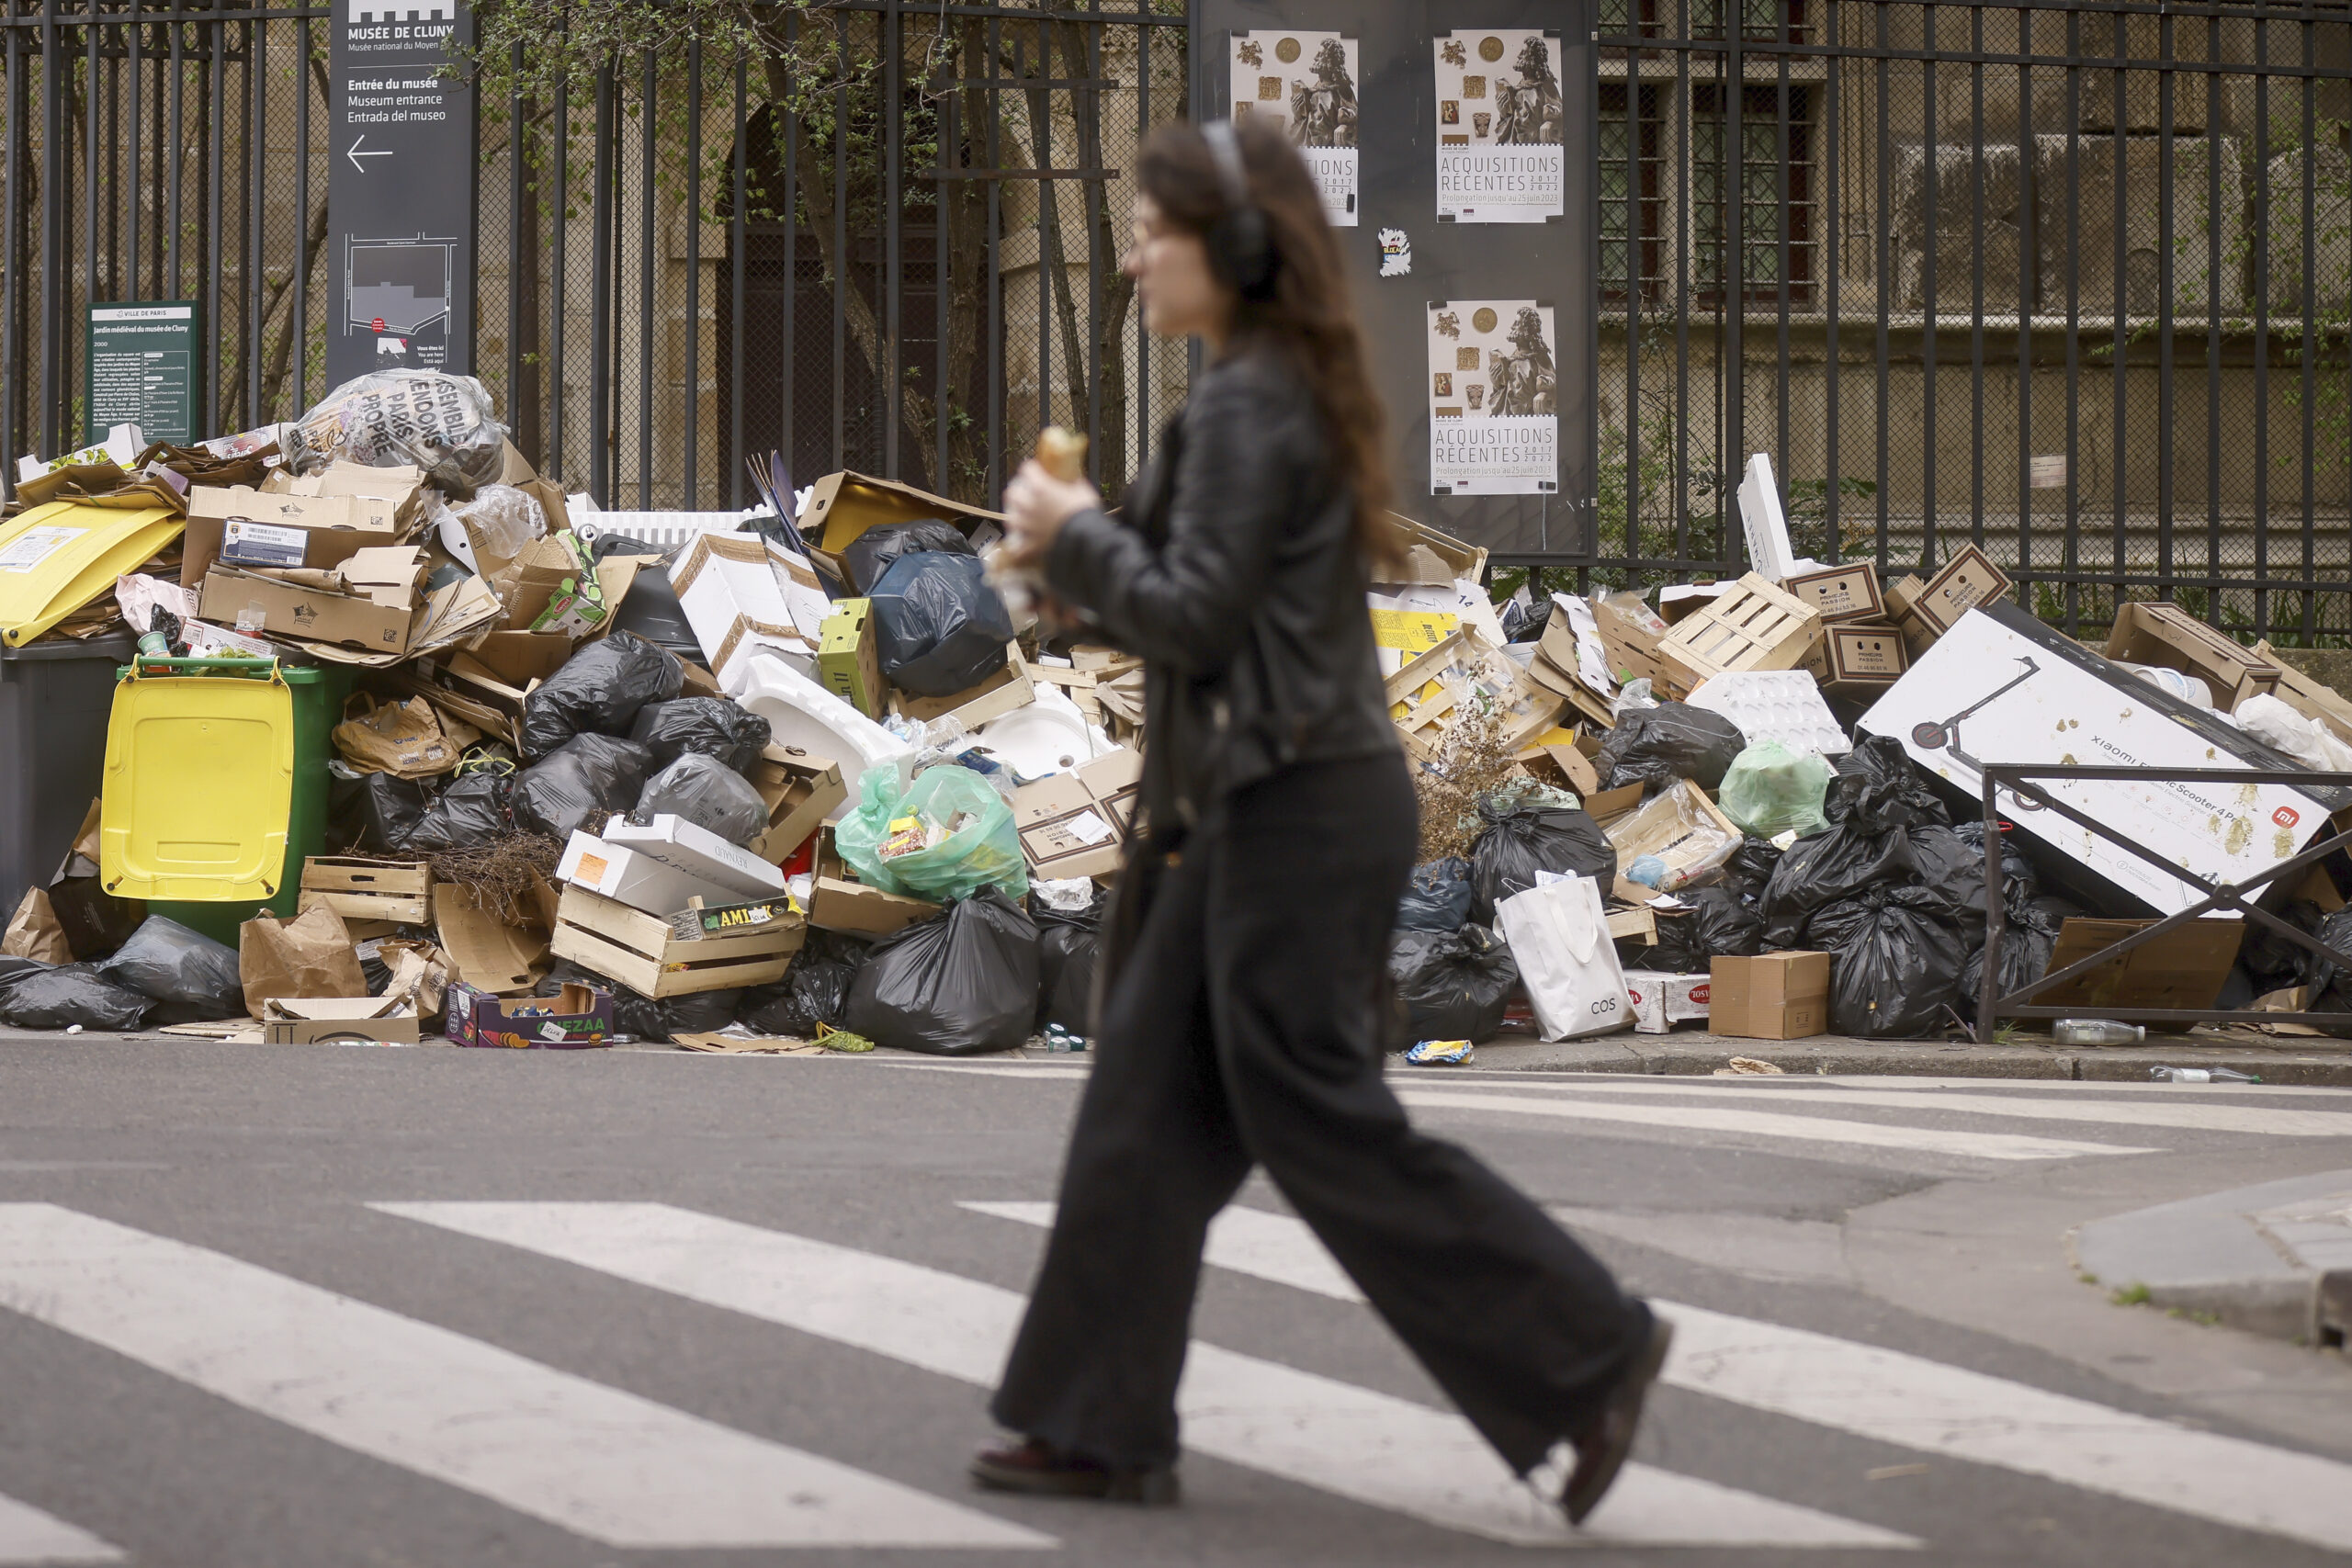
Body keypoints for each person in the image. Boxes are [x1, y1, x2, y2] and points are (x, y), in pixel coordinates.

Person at [971, 117, 1670, 1528]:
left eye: (1155, 228)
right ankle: (1095, 1424)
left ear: (1232, 250)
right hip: (1238, 802)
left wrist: (1072, 534)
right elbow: (1183, 592)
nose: (1130, 253)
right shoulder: (1247, 389)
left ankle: (1586, 1346)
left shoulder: (1251, 402)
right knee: (1144, 1120)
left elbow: (1195, 608)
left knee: (1317, 1117)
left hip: (1284, 813)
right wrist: (1070, 572)